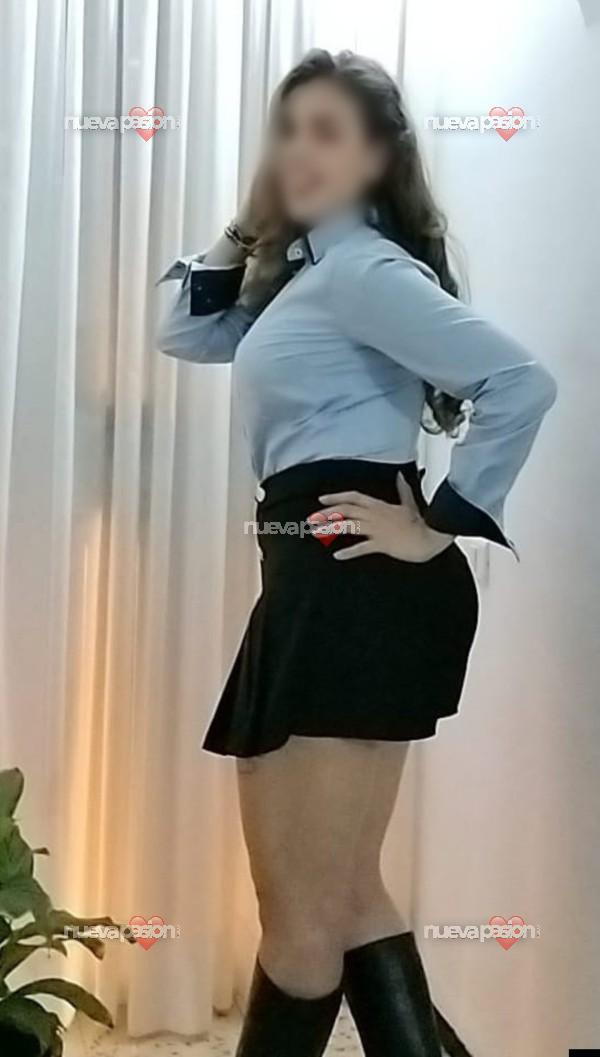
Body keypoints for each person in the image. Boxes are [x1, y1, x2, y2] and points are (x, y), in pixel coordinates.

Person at [157, 48, 556, 1057]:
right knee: (339, 894)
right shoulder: (307, 276)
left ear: (380, 157)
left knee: (301, 916)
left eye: (327, 132)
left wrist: (439, 521)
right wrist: (248, 223)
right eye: (288, 130)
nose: (299, 151)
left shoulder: (365, 271)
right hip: (319, 580)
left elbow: (521, 382)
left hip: (355, 583)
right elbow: (182, 331)